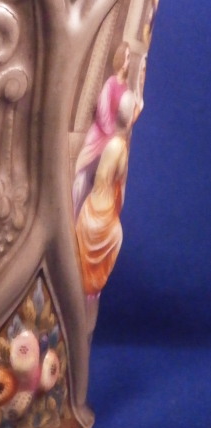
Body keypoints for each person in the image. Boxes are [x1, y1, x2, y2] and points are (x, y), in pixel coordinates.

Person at [75, 89, 135, 296]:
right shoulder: (119, 146)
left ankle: (86, 290)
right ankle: (89, 285)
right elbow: (116, 179)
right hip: (100, 210)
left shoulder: (111, 142)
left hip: (93, 206)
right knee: (116, 235)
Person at [72, 41, 131, 218]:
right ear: (121, 59)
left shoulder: (125, 88)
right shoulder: (111, 83)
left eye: (129, 57)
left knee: (98, 182)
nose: (128, 61)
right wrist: (111, 131)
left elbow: (124, 114)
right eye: (127, 57)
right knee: (83, 175)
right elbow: (103, 111)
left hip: (110, 141)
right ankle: (72, 212)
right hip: (98, 136)